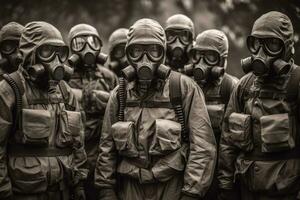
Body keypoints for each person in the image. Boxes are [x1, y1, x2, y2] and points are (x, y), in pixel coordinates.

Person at [95, 18, 216, 200]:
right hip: (130, 188)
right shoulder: (120, 93)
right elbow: (107, 146)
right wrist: (106, 190)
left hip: (172, 187)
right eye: (137, 51)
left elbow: (202, 146)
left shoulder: (183, 88)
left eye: (153, 50)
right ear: (129, 55)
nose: (145, 59)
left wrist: (191, 193)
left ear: (162, 53)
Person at [0, 21, 87, 200]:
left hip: (63, 190)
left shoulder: (64, 90)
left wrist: (78, 184)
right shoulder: (10, 89)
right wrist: (4, 191)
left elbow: (77, 142)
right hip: (25, 193)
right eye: (46, 52)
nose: (55, 60)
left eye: (60, 53)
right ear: (30, 55)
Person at [218, 11, 300, 200]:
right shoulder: (244, 85)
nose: (261, 52)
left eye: (271, 44)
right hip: (247, 189)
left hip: (286, 191)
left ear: (286, 47)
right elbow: (228, 141)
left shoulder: (296, 83)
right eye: (257, 44)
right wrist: (226, 185)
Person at [185, 29, 239, 200]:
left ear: (222, 60)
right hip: (192, 170)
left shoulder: (231, 87)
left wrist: (227, 183)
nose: (201, 62)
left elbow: (233, 142)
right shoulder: (186, 86)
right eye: (197, 55)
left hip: (220, 172)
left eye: (210, 57)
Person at [67, 23, 118, 200]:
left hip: (101, 150)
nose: (87, 48)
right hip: (73, 151)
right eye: (80, 43)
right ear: (71, 48)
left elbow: (118, 114)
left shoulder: (109, 76)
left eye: (93, 42)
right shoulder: (64, 77)